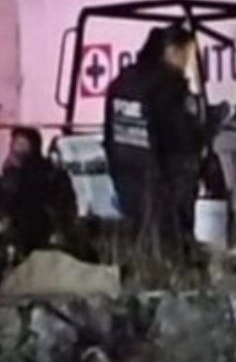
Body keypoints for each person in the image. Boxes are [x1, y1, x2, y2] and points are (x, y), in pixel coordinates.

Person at [103, 24, 205, 259]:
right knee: (171, 240)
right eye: (185, 54)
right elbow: (181, 134)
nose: (187, 62)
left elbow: (110, 132)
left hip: (126, 173)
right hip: (164, 177)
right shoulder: (168, 85)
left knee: (139, 235)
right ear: (171, 51)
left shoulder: (122, 82)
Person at [0, 126, 78, 259]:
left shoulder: (49, 175)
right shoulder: (11, 175)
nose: (15, 149)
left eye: (22, 144)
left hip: (43, 236)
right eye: (15, 143)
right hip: (19, 238)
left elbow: (64, 206)